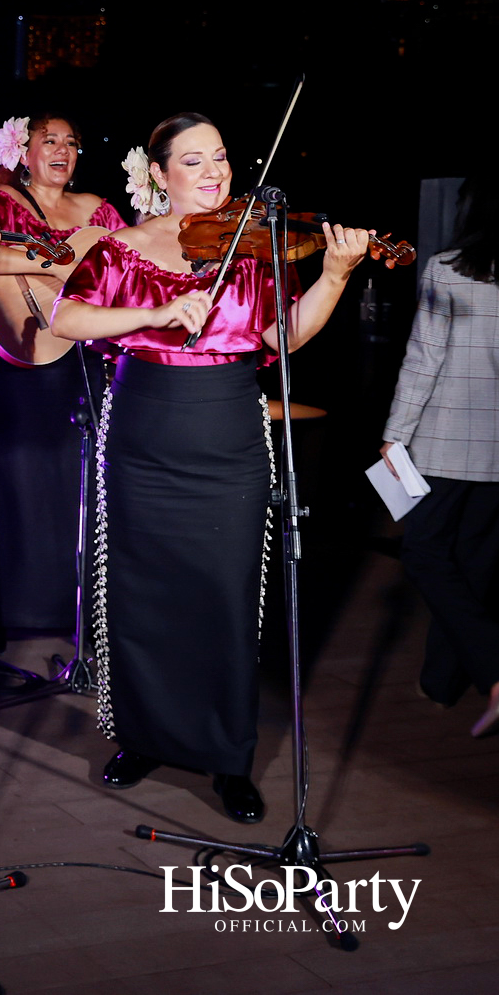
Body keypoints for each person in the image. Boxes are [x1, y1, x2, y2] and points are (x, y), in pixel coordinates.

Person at [51, 113, 369, 823]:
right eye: (194, 162)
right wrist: (151, 314)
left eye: (221, 158)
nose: (215, 173)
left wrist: (338, 274)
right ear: (160, 176)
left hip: (227, 430)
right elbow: (66, 321)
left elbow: (279, 337)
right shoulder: (125, 248)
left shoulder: (254, 250)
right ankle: (141, 736)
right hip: (143, 430)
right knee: (140, 590)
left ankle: (229, 755)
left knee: (226, 597)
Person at [0, 114, 126, 645]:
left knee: (79, 477)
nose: (62, 150)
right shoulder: (3, 204)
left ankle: (80, 606)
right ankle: (10, 610)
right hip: (21, 358)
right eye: (49, 141)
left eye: (71, 142)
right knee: (18, 483)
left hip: (83, 359)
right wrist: (52, 263)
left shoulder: (99, 210)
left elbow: (126, 265)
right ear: (24, 152)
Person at [381, 176, 499, 738]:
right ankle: (439, 682)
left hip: (442, 443)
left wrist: (394, 435)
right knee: (475, 565)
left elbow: (422, 362)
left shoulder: (448, 269)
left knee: (427, 556)